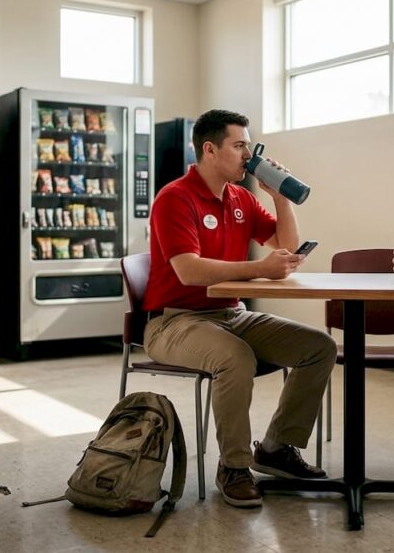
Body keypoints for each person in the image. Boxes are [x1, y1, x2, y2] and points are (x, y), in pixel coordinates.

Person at [142, 109, 336, 508]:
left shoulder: (241, 198)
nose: (249, 154)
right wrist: (259, 268)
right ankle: (233, 466)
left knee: (318, 347)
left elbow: (285, 244)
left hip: (231, 314)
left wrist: (280, 198)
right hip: (174, 321)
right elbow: (189, 270)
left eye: (250, 145)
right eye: (240, 145)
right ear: (210, 150)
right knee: (235, 357)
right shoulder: (174, 198)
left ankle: (276, 448)